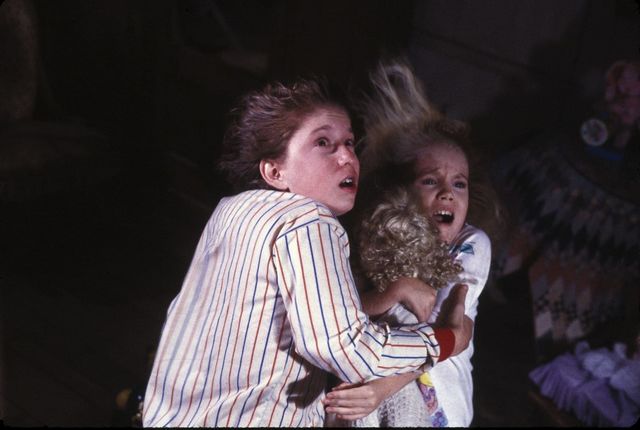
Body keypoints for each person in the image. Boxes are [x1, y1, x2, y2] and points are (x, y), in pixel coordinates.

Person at [141, 76, 473, 427]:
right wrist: (446, 340)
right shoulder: (309, 220)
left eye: (349, 143)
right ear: (274, 171)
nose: (347, 157)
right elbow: (344, 349)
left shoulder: (229, 212)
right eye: (323, 143)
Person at [323, 60, 498, 427]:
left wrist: (380, 390)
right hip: (369, 374)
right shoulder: (373, 238)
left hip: (433, 398)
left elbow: (447, 333)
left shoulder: (470, 244)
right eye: (431, 181)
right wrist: (396, 290)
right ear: (400, 190)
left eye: (460, 183)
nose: (448, 193)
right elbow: (341, 315)